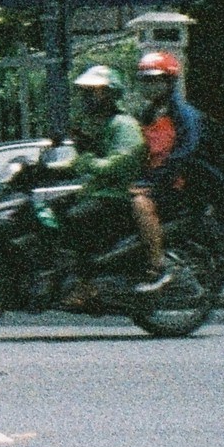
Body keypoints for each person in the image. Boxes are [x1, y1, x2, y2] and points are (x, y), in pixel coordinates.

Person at [48, 64, 141, 309]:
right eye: (87, 92)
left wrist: (86, 161)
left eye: (96, 91)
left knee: (73, 220)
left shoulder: (124, 125)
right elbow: (79, 162)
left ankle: (87, 286)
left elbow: (119, 162)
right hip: (95, 193)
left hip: (115, 196)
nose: (89, 97)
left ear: (111, 94)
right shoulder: (96, 124)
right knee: (47, 213)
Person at [130, 49, 207, 292]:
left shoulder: (185, 115)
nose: (150, 86)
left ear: (170, 82)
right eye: (145, 81)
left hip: (176, 185)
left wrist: (153, 183)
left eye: (156, 81)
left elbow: (185, 154)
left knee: (140, 204)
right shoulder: (148, 114)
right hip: (152, 180)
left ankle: (157, 266)